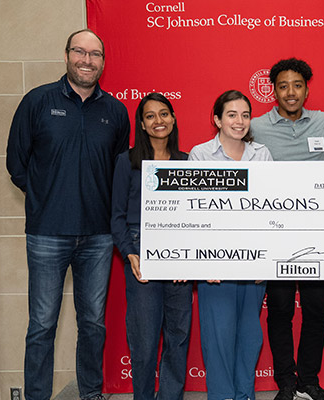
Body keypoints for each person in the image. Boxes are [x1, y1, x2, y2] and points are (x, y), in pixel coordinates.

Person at [6, 29, 130, 400]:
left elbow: (119, 171)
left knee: (92, 323)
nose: (86, 60)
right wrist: (46, 197)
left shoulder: (115, 111)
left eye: (95, 55)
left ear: (103, 63)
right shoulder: (38, 101)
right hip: (47, 233)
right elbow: (16, 163)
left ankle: (91, 393)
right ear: (66, 55)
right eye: (80, 51)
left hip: (98, 235)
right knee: (42, 324)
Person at [251, 58, 324, 400]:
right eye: (283, 85)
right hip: (276, 234)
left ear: (307, 89)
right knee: (281, 309)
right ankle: (286, 381)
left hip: (319, 236)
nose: (290, 92)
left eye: (297, 85)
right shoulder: (256, 126)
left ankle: (310, 380)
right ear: (273, 90)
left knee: (316, 308)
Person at [189, 90, 272, 400]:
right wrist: (204, 261)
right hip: (215, 262)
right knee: (218, 335)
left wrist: (266, 259)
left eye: (245, 115)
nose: (239, 121)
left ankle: (244, 395)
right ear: (217, 119)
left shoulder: (261, 154)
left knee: (250, 335)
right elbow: (195, 213)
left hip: (253, 259)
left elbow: (271, 209)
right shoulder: (200, 155)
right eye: (232, 115)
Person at [111, 93, 192, 400]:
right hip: (140, 249)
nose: (158, 121)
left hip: (180, 251)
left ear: (173, 118)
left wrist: (190, 258)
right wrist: (129, 252)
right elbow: (116, 216)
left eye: (164, 114)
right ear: (141, 125)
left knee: (178, 334)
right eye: (150, 116)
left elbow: (199, 216)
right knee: (144, 338)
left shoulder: (188, 163)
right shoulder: (126, 162)